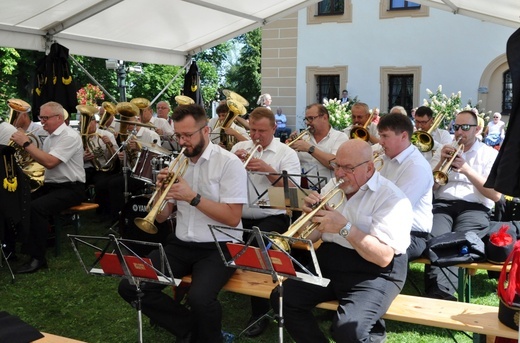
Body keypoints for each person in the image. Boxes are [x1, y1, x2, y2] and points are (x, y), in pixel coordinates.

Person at [118, 103, 248, 343]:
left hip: (220, 245)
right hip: (181, 243)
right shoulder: (179, 161)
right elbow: (161, 216)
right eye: (178, 135)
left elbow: (232, 217)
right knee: (131, 286)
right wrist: (160, 193)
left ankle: (204, 336)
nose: (182, 141)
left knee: (200, 299)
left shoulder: (229, 163)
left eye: (188, 135)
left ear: (206, 131)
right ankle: (192, 332)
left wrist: (192, 197)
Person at [270, 139, 412, 343]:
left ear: (369, 168)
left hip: (375, 272)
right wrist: (307, 216)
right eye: (337, 165)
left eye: (348, 168)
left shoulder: (391, 198)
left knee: (347, 331)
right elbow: (310, 236)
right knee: (282, 299)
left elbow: (383, 257)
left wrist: (345, 228)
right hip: (331, 260)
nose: (339, 174)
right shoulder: (333, 186)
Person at [230, 107, 300, 337]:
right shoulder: (239, 148)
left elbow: (293, 197)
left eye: (261, 131)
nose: (255, 136)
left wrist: (270, 171)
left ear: (274, 128)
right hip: (238, 215)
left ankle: (258, 313)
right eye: (252, 130)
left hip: (273, 217)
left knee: (257, 248)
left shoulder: (286, 153)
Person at [427, 110, 501, 300]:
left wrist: (467, 169)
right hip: (443, 204)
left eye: (465, 127)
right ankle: (438, 289)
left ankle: (441, 291)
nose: (459, 132)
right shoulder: (445, 149)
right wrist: (441, 162)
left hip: (475, 206)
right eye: (456, 126)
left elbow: (495, 195)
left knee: (460, 241)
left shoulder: (489, 154)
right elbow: (429, 187)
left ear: (477, 129)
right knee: (436, 238)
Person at [10, 101, 85, 273]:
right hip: (53, 185)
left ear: (59, 118)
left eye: (45, 118)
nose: (42, 121)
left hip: (72, 188)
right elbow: (40, 159)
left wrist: (26, 144)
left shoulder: (69, 136)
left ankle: (38, 258)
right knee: (22, 200)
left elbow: (50, 163)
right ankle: (22, 248)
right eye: (40, 117)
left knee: (37, 208)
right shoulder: (50, 136)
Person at [377, 113, 433, 261]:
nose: (380, 142)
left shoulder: (416, 167)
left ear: (403, 136)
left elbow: (396, 209)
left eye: (385, 136)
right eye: (380, 136)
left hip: (412, 233)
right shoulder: (384, 158)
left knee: (370, 250)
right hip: (383, 224)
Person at [287, 103, 348, 189]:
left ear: (325, 118)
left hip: (329, 190)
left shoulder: (340, 137)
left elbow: (335, 163)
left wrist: (310, 149)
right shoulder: (303, 138)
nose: (308, 122)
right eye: (306, 119)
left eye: (311, 118)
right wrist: (289, 149)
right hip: (303, 190)